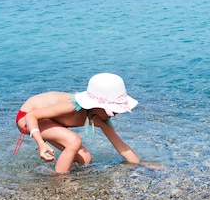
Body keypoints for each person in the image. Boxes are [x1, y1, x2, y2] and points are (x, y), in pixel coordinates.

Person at [14, 73, 161, 173]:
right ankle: (60, 182)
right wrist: (41, 143)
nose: (115, 114)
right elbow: (32, 115)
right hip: (28, 118)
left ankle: (59, 171)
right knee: (74, 140)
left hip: (49, 120)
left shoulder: (101, 118)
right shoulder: (71, 106)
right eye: (112, 110)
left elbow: (120, 146)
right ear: (97, 104)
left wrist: (141, 164)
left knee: (85, 160)